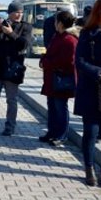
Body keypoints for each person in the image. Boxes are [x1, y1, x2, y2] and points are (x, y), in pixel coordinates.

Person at [74, 0, 101, 188]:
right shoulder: (88, 33)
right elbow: (79, 61)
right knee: (91, 132)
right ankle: (88, 169)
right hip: (90, 90)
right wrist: (100, 73)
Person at [0, 1, 33, 136]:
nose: (19, 15)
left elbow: (24, 44)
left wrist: (11, 33)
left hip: (12, 69)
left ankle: (10, 127)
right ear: (9, 13)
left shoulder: (25, 27)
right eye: (16, 12)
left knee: (11, 100)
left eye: (21, 13)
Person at [39, 10, 78, 147]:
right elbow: (49, 52)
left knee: (61, 108)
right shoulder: (58, 36)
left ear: (60, 23)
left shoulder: (70, 40)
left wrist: (48, 62)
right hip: (51, 79)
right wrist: (43, 59)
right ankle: (52, 132)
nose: (54, 24)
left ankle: (61, 135)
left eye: (56, 21)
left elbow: (68, 61)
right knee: (52, 107)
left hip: (61, 80)